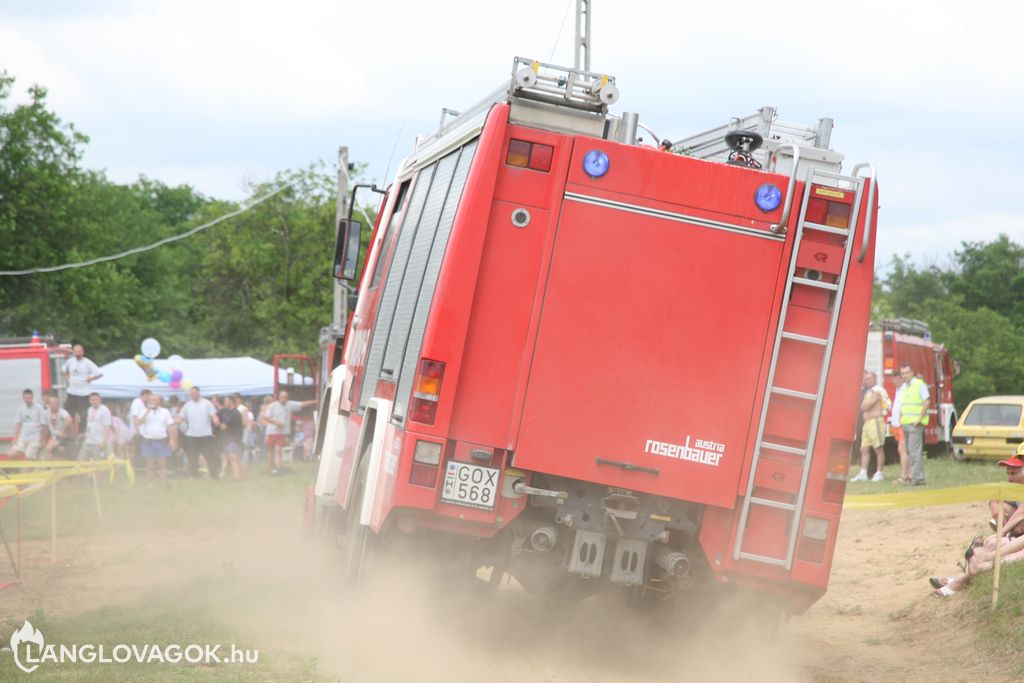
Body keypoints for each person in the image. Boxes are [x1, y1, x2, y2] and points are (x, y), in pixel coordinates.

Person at [263, 390, 315, 475]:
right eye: (282, 397)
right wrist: (276, 422)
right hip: (271, 431)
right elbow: (266, 417)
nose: (283, 399)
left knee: (277, 450)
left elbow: (303, 404)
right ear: (279, 397)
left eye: (285, 397)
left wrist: (316, 401)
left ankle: (278, 468)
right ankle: (269, 468)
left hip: (282, 433)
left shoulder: (290, 404)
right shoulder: (273, 406)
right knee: (270, 450)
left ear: (287, 398)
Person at [851, 371, 890, 482]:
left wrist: (868, 403)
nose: (867, 381)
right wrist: (867, 402)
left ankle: (879, 473)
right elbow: (863, 406)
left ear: (875, 379)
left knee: (878, 448)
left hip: (875, 422)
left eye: (870, 378)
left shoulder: (878, 390)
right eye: (866, 379)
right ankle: (863, 473)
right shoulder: (868, 391)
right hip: (867, 423)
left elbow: (866, 405)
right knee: (864, 448)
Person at [133, 394, 178, 482]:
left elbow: (170, 426)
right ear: (148, 401)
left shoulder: (165, 411)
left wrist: (173, 439)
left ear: (159, 402)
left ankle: (164, 483)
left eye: (155, 400)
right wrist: (147, 411)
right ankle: (151, 484)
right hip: (148, 441)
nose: (153, 402)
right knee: (149, 464)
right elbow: (138, 423)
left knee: (163, 464)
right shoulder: (144, 411)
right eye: (151, 400)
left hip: (162, 441)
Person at [898, 363, 930, 486]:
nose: (905, 375)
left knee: (914, 451)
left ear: (912, 373)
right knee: (910, 451)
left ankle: (916, 479)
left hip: (915, 424)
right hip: (906, 423)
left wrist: (919, 419)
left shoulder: (919, 384)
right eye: (903, 373)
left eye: (907, 372)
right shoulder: (904, 387)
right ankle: (919, 477)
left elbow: (927, 401)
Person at [179, 386, 221, 479]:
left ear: (198, 393)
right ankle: (195, 476)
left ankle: (214, 476)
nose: (192, 395)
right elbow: (181, 417)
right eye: (191, 393)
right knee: (192, 458)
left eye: (194, 393)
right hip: (192, 435)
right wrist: (174, 421)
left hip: (205, 435)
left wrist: (215, 419)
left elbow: (213, 415)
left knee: (209, 457)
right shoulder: (187, 405)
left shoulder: (207, 403)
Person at [62, 342, 103, 434]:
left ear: (83, 352)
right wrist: (67, 379)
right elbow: (63, 370)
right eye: (76, 352)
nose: (77, 354)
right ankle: (69, 433)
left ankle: (83, 433)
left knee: (83, 415)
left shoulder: (87, 362)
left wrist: (91, 378)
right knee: (68, 413)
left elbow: (99, 373)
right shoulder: (70, 361)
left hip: (84, 393)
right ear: (73, 352)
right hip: (72, 392)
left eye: (79, 352)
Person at [987, 446, 1024, 535]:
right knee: (1002, 507)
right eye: (1008, 473)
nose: (1009, 479)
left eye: (1013, 473)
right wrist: (995, 510)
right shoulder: (1017, 488)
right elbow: (994, 496)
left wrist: (1003, 532)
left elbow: (1022, 512)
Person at [11, 388, 46, 460]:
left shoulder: (39, 408)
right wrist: (15, 438)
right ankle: (15, 470)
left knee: (29, 456)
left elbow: (43, 425)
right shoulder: (20, 409)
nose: (28, 400)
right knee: (12, 454)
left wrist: (43, 439)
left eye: (29, 398)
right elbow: (18, 425)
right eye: (26, 398)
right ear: (23, 398)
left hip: (35, 437)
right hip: (23, 437)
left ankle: (29, 470)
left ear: (32, 397)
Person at [216, 396, 245, 480]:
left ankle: (237, 478)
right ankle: (241, 476)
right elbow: (217, 416)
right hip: (228, 439)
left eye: (226, 401)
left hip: (234, 439)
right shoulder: (226, 412)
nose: (224, 403)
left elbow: (224, 426)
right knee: (237, 458)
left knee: (233, 457)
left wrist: (219, 424)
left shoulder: (235, 413)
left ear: (231, 402)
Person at [889, 375, 911, 483]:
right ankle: (909, 474)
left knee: (902, 449)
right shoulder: (897, 390)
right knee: (902, 449)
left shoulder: (905, 389)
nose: (895, 380)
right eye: (894, 379)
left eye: (898, 378)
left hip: (902, 423)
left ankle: (903, 475)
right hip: (896, 424)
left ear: (902, 379)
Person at [40, 393, 74, 459]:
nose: (53, 405)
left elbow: (69, 419)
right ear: (48, 405)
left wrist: (62, 431)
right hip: (54, 437)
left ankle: (51, 467)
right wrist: (43, 440)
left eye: (55, 403)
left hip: (63, 437)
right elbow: (45, 428)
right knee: (54, 451)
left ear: (58, 404)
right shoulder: (45, 413)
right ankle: (52, 467)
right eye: (51, 404)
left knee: (48, 449)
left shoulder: (62, 412)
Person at [80, 392, 113, 460]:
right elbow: (90, 425)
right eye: (92, 400)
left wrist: (103, 441)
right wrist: (85, 434)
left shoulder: (104, 410)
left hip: (98, 442)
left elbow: (107, 426)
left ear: (100, 400)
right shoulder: (89, 409)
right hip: (87, 441)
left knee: (99, 464)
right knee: (81, 461)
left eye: (96, 399)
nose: (94, 401)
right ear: (89, 400)